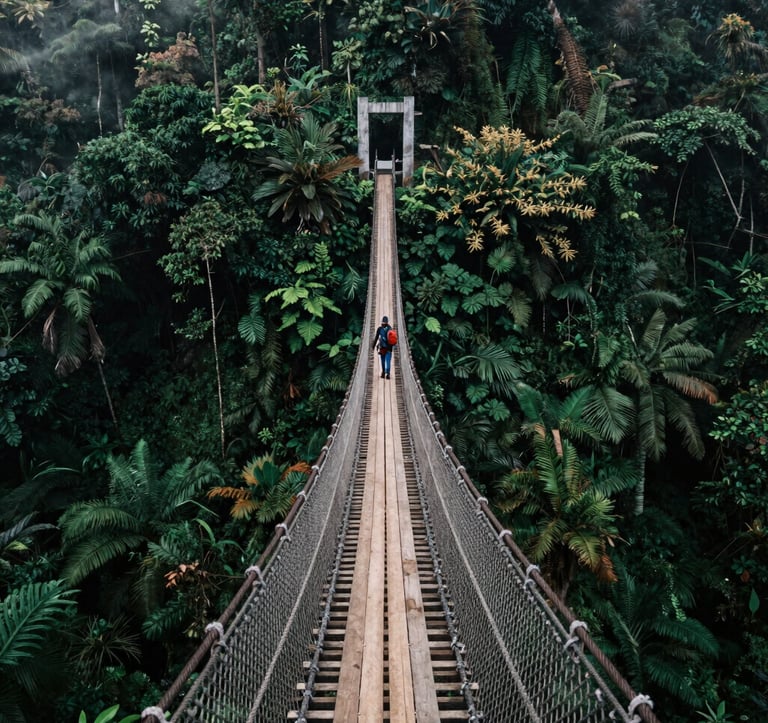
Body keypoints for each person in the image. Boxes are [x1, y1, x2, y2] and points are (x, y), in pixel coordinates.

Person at [373, 315, 393, 379]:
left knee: (383, 360)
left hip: (383, 348)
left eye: (383, 323)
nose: (382, 324)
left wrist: (373, 346)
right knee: (387, 361)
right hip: (388, 348)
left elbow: (376, 338)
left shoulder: (380, 329)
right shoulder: (390, 329)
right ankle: (387, 373)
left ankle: (384, 372)